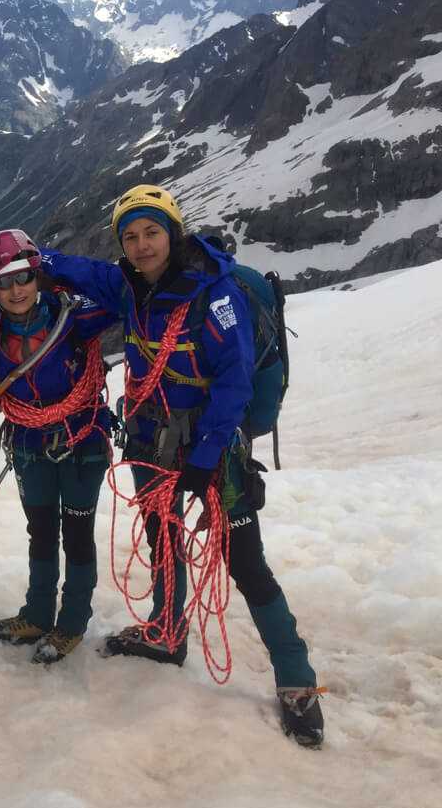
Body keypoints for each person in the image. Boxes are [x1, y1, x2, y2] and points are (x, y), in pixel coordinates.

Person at [39, 184, 324, 745]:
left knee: (245, 563)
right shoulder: (128, 286)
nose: (142, 245)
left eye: (152, 232)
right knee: (163, 540)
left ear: (173, 231)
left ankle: (297, 679)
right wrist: (18, 257)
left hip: (210, 455)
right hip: (152, 446)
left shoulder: (216, 296)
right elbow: (74, 269)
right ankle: (167, 634)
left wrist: (206, 458)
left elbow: (235, 383)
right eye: (131, 236)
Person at [0, 229, 116, 664]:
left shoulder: (72, 317)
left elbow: (116, 289)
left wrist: (52, 260)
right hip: (30, 443)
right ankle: (38, 613)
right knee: (40, 532)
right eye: (3, 281)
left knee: (75, 535)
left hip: (81, 442)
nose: (16, 290)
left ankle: (71, 623)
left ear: (39, 278)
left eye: (25, 277)